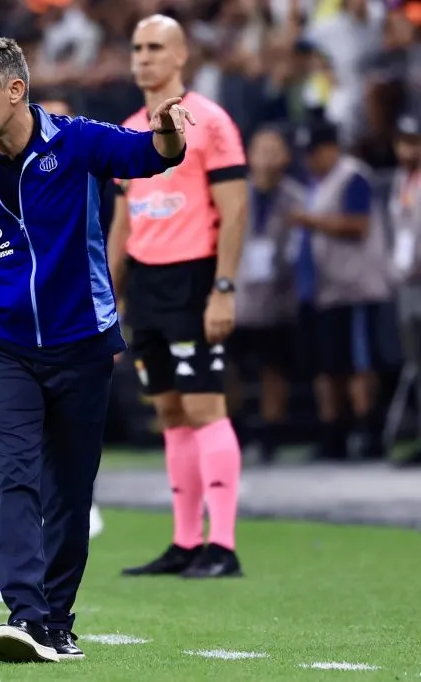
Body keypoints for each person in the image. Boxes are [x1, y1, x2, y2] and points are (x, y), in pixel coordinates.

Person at [0, 37, 190, 663]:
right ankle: (24, 616)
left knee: (70, 493)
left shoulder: (77, 142)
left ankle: (56, 620)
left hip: (82, 346)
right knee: (12, 478)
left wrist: (167, 133)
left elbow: (149, 156)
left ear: (15, 90)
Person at [108, 15, 247, 579]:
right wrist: (110, 298)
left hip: (194, 279)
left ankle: (224, 545)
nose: (144, 57)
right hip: (146, 283)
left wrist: (224, 288)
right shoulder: (126, 130)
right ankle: (186, 541)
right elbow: (122, 223)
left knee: (204, 406)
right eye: (137, 47)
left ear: (181, 55)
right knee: (168, 410)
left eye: (155, 47)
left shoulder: (210, 121)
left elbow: (235, 209)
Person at [290, 119, 391, 462]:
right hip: (324, 289)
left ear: (332, 148)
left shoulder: (353, 176)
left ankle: (367, 430)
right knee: (328, 365)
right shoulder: (315, 183)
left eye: (315, 152)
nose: (310, 159)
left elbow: (358, 224)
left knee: (359, 363)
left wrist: (311, 221)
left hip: (356, 287)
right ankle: (334, 435)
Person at [36, 95, 105, 539]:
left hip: (83, 320)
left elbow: (109, 241)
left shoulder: (92, 172)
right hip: (26, 325)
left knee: (77, 425)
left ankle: (80, 499)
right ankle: (44, 508)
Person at [228, 128, 304, 464]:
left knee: (274, 368)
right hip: (238, 297)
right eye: (263, 149)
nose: (269, 157)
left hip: (278, 298)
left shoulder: (296, 197)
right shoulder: (236, 193)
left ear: (286, 156)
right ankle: (237, 429)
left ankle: (271, 435)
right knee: (229, 367)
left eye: (276, 149)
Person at [389, 112, 421, 468]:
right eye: (403, 143)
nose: (407, 151)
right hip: (408, 282)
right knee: (416, 364)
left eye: (414, 143)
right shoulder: (401, 180)